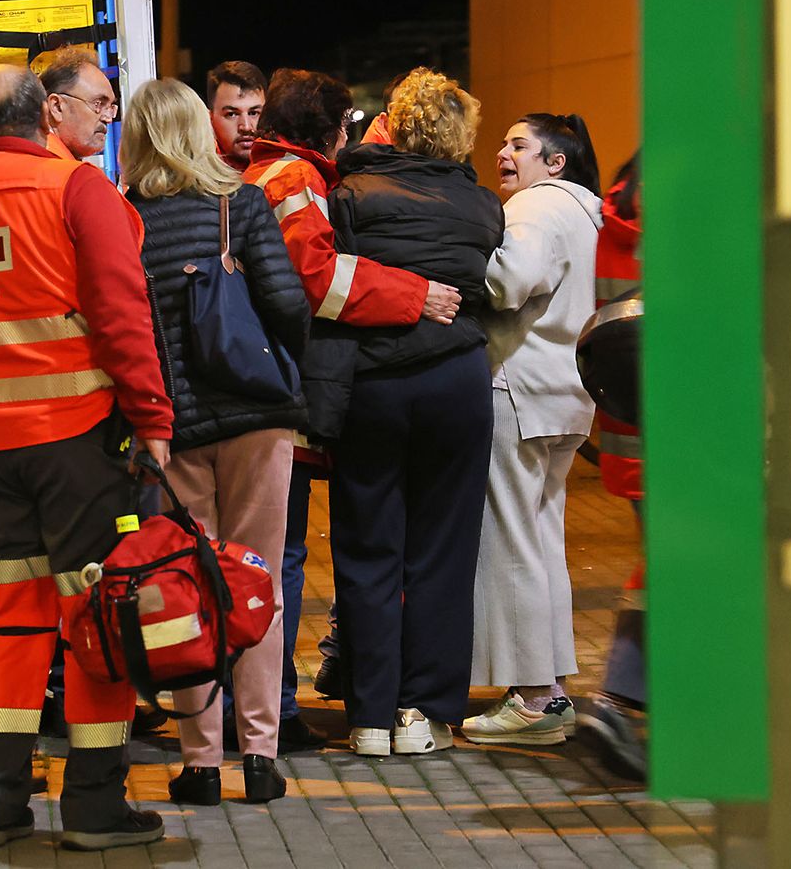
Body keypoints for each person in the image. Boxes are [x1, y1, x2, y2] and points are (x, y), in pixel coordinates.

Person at [0, 64, 172, 851]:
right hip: (74, 437)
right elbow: (122, 310)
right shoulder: (75, 191)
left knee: (5, 620)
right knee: (96, 608)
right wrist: (153, 416)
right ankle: (94, 806)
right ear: (39, 117)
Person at [240, 68, 463, 751]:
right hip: (279, 394)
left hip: (266, 390)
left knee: (278, 558)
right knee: (280, 562)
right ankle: (271, 714)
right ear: (320, 127)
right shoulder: (293, 182)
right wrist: (415, 294)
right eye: (341, 125)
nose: (348, 137)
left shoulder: (267, 176)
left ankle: (271, 709)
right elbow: (321, 279)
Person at [121, 79, 310, 805]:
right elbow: (289, 302)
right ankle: (259, 757)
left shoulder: (127, 219)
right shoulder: (243, 203)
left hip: (174, 432)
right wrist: (282, 366)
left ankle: (200, 761)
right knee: (255, 577)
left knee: (187, 591)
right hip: (258, 421)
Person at [319, 69, 504, 756]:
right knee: (443, 554)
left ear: (392, 122)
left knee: (369, 548)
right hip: (457, 381)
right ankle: (423, 713)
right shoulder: (484, 206)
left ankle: (368, 716)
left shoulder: (351, 195)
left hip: (375, 384)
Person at [465, 113, 603, 746]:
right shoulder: (587, 211)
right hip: (569, 395)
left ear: (556, 162)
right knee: (544, 541)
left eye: (519, 144)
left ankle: (529, 697)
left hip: (518, 388)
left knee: (513, 541)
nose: (503, 152)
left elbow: (505, 283)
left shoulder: (535, 207)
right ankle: (550, 693)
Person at [574, 153, 648, 779]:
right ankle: (619, 698)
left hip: (629, 435)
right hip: (688, 439)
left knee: (662, 567)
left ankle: (623, 699)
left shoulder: (608, 226)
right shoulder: (684, 235)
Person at [40, 47, 117, 162]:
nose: (108, 119)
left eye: (110, 107)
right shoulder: (56, 171)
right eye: (98, 104)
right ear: (57, 107)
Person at [205, 60, 267, 172]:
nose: (246, 127)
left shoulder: (287, 172)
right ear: (210, 118)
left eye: (254, 113)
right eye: (232, 114)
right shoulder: (194, 178)